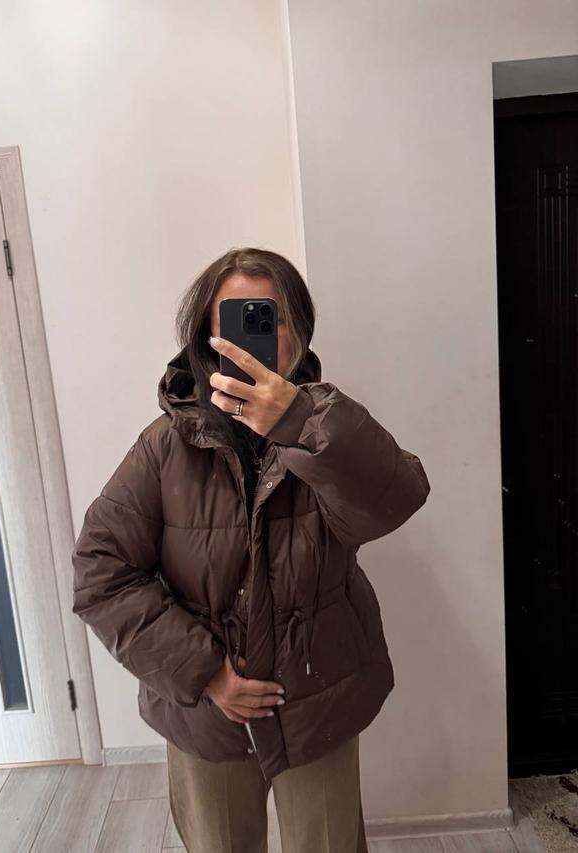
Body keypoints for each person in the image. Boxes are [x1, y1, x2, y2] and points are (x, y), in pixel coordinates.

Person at [71, 247, 430, 853]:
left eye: (270, 317)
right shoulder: (166, 446)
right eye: (235, 319)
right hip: (207, 715)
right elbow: (99, 573)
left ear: (300, 331)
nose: (256, 335)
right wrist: (205, 673)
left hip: (317, 698)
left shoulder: (330, 429)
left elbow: (397, 498)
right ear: (208, 336)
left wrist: (300, 423)